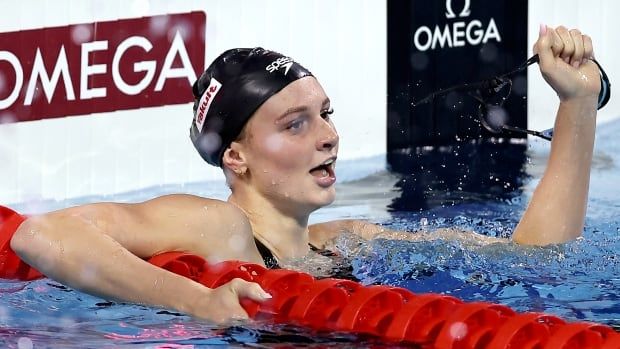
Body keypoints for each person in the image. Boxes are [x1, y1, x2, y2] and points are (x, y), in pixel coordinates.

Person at [9, 25, 601, 324]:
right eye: (295, 124)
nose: (328, 136)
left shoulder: (345, 241)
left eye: (326, 114)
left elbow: (537, 261)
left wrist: (575, 106)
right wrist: (197, 301)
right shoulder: (220, 227)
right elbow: (38, 235)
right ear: (235, 156)